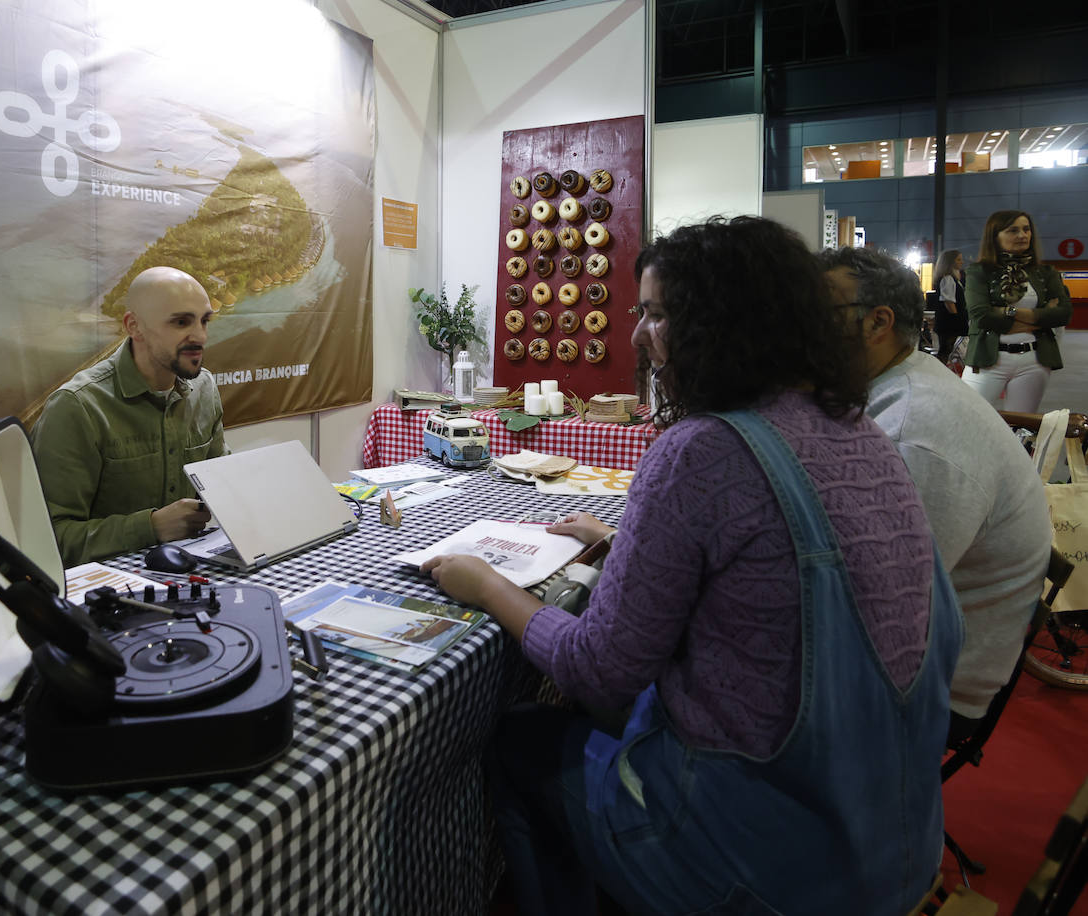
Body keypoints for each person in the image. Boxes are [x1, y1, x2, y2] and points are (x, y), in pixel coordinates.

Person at [422, 216, 962, 915]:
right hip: (892, 845)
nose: (638, 338)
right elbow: (767, 579)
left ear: (715, 325)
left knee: (524, 739)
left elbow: (599, 667)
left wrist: (484, 583)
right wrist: (624, 547)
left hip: (766, 869)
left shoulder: (700, 451)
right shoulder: (860, 432)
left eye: (654, 314)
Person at [818, 245, 1051, 746]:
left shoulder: (914, 428)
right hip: (910, 653)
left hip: (930, 688)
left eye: (816, 311)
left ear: (876, 322)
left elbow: (872, 607)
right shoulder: (895, 388)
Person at [32, 266, 224, 566]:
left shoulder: (205, 388)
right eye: (181, 322)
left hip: (193, 574)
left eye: (204, 321)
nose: (200, 336)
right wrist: (151, 527)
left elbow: (221, 483)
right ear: (134, 326)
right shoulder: (78, 407)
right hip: (109, 592)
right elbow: (49, 541)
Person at [962, 210, 1072, 412]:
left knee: (1022, 428)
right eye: (1013, 230)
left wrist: (1007, 312)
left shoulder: (1046, 273)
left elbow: (1063, 313)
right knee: (967, 417)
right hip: (988, 359)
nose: (1022, 235)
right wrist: (1039, 318)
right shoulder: (979, 272)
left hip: (1034, 362)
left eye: (1026, 229)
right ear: (995, 236)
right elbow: (981, 315)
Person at [931, 247, 968, 366]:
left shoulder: (954, 278)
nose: (961, 262)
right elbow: (949, 302)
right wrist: (957, 318)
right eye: (958, 260)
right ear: (950, 262)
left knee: (950, 351)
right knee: (946, 351)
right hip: (950, 324)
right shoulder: (948, 279)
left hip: (952, 323)